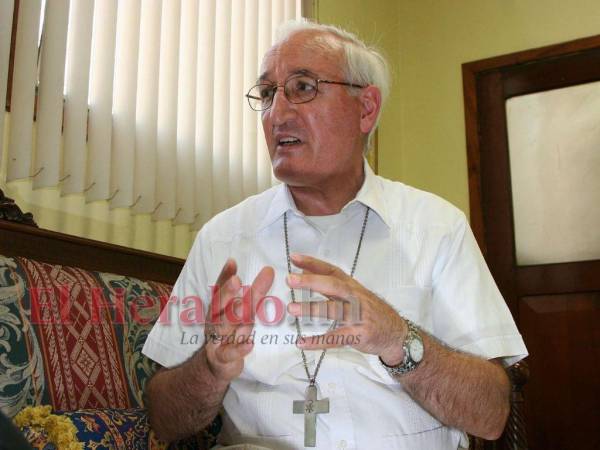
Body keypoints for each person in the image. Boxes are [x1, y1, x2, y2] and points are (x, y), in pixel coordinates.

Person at [142, 19, 528, 450]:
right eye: (268, 93)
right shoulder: (222, 238)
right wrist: (209, 369)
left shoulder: (438, 227)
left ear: (366, 109)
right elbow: (165, 421)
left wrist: (397, 339)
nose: (277, 113)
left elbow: (491, 414)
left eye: (303, 87)